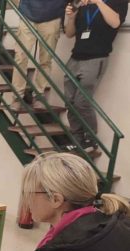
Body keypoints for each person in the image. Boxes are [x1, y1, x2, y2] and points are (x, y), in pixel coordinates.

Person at [63, 0, 127, 150]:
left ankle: (91, 139)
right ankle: (76, 138)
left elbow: (115, 22)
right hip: (75, 57)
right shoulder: (83, 4)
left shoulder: (118, 2)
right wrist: (71, 17)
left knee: (82, 102)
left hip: (96, 57)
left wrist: (98, 1)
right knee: (69, 100)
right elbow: (69, 33)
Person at [11, 0, 68, 110]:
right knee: (20, 56)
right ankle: (17, 97)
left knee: (46, 60)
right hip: (28, 13)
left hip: (53, 15)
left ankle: (39, 96)